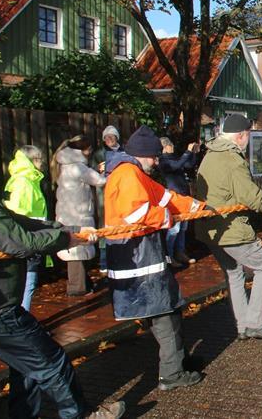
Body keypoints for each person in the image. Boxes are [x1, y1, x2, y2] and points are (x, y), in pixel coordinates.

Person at [0, 147, 125, 419]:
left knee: (26, 365)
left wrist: (66, 231)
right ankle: (79, 414)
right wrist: (66, 240)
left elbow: (21, 223)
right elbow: (22, 241)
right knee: (51, 361)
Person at [104, 125, 206, 391]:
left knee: (170, 309)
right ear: (144, 155)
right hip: (138, 261)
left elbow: (165, 197)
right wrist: (166, 218)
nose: (157, 162)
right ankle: (171, 374)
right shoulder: (128, 175)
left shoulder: (134, 173)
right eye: (155, 157)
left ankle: (178, 362)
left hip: (144, 259)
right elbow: (136, 215)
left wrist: (196, 207)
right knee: (164, 316)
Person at [195, 114, 262, 340]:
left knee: (234, 273)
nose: (247, 140)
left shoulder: (210, 154)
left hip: (210, 230)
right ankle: (256, 323)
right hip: (231, 229)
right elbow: (252, 197)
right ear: (240, 136)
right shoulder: (232, 159)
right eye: (248, 135)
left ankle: (243, 325)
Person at [51, 135, 106, 296]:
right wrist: (104, 173)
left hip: (67, 213)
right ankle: (77, 288)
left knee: (74, 249)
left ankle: (82, 283)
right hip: (78, 215)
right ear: (84, 150)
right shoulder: (78, 167)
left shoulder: (64, 165)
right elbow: (100, 181)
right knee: (76, 251)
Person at [4, 146, 48, 311]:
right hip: (28, 238)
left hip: (28, 237)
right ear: (33, 160)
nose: (42, 162)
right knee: (28, 282)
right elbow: (19, 213)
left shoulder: (21, 179)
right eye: (40, 158)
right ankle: (24, 319)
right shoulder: (25, 182)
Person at [158, 137, 199, 270]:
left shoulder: (174, 158)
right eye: (170, 145)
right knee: (173, 230)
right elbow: (176, 165)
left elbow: (187, 165)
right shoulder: (163, 161)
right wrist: (187, 152)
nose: (172, 147)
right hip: (173, 200)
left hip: (184, 197)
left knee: (183, 228)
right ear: (164, 148)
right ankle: (169, 256)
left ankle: (180, 252)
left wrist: (193, 153)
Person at [93, 125, 124, 272]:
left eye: (111, 136)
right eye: (106, 137)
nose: (109, 139)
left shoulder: (124, 152)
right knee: (104, 225)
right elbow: (91, 171)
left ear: (116, 137)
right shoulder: (99, 154)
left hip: (122, 193)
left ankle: (121, 258)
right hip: (104, 194)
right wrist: (99, 171)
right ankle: (104, 262)